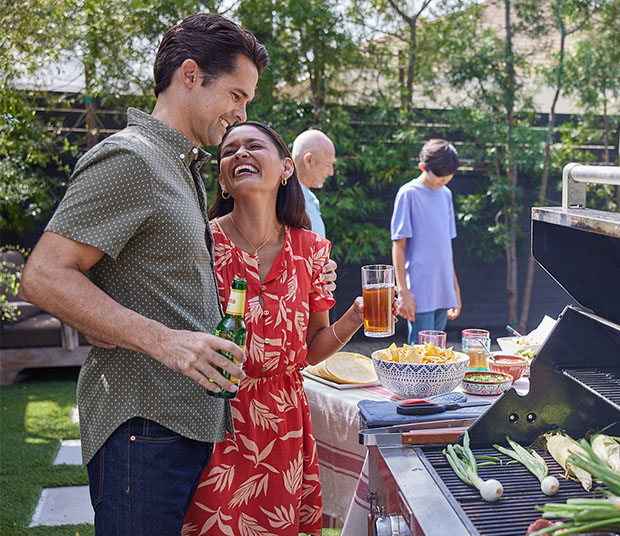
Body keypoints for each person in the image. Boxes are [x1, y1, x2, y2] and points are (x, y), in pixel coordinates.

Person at [18, 14, 268, 533]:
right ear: (192, 75)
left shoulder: (179, 166)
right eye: (237, 95)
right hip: (143, 429)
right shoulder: (133, 158)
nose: (242, 113)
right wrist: (167, 343)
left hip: (174, 426)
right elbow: (43, 274)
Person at [182, 122, 364, 535]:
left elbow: (310, 351)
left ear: (286, 168)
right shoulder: (200, 244)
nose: (240, 154)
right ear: (224, 181)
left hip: (284, 421)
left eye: (253, 146)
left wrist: (352, 318)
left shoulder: (312, 251)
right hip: (215, 419)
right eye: (230, 151)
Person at [391, 139, 463, 344]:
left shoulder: (446, 194)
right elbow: (398, 244)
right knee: (421, 349)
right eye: (439, 179)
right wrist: (402, 291)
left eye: (447, 179)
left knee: (438, 349)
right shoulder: (408, 194)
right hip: (420, 287)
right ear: (423, 167)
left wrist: (455, 289)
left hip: (444, 286)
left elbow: (445, 248)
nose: (443, 183)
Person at [292, 129, 336, 237]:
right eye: (328, 165)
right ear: (309, 160)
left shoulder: (308, 197)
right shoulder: (287, 200)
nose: (331, 172)